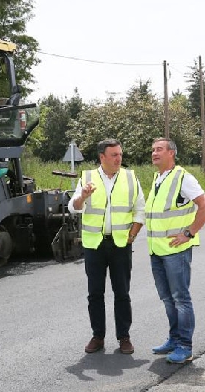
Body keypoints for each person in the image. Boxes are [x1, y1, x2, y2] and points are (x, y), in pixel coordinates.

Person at [68, 139, 145, 354]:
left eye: (120, 154)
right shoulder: (87, 177)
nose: (119, 158)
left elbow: (140, 208)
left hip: (121, 244)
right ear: (102, 157)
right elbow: (74, 207)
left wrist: (133, 233)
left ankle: (124, 337)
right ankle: (98, 336)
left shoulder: (130, 177)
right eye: (114, 155)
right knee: (95, 293)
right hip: (94, 245)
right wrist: (82, 196)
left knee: (122, 293)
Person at [145, 137, 205, 364]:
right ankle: (174, 339)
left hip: (176, 251)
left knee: (180, 298)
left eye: (159, 149)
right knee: (167, 298)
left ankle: (185, 346)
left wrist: (189, 232)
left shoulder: (183, 178)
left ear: (171, 153)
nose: (154, 153)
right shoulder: (158, 178)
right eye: (153, 149)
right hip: (157, 251)